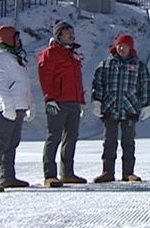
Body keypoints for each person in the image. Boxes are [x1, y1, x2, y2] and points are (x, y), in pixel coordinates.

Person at [91, 34, 150, 183]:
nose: (122, 48)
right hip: (110, 107)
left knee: (128, 142)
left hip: (129, 107)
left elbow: (145, 86)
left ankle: (128, 172)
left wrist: (146, 104)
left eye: (125, 45)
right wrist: (97, 101)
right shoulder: (106, 64)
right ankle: (107, 171)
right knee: (109, 141)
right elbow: (98, 84)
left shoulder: (139, 65)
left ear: (130, 48)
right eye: (119, 45)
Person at [0, 25, 35, 193]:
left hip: (18, 105)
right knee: (0, 143)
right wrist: (7, 106)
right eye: (15, 38)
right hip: (6, 106)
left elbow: (24, 83)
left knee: (12, 142)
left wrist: (29, 104)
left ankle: (7, 176)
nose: (19, 42)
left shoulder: (14, 57)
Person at [38, 20, 86, 188]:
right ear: (59, 35)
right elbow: (45, 76)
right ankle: (49, 174)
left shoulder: (73, 54)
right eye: (67, 33)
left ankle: (67, 173)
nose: (71, 35)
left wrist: (81, 99)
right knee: (54, 136)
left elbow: (77, 80)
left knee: (71, 137)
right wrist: (49, 98)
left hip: (73, 102)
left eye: (72, 32)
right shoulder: (50, 53)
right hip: (57, 101)